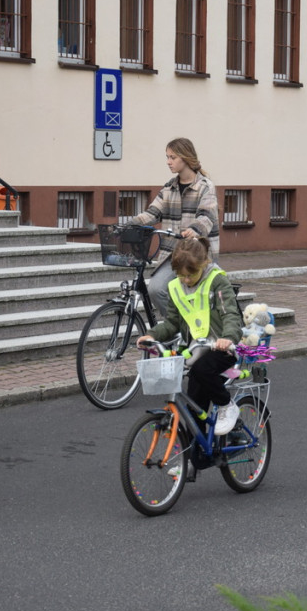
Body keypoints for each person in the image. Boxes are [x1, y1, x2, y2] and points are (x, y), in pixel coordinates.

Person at [136, 236, 243, 434]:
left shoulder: (216, 280)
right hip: (197, 349)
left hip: (222, 348)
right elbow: (172, 322)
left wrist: (227, 338)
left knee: (201, 371)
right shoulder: (175, 287)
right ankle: (194, 462)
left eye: (191, 275)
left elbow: (230, 314)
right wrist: (152, 335)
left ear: (204, 263)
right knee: (194, 409)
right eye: (180, 275)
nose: (186, 280)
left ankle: (227, 406)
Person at [130, 138, 219, 317]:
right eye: (167, 157)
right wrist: (130, 223)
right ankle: (179, 328)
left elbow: (207, 215)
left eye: (172, 157)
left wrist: (195, 229)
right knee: (156, 290)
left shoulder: (205, 187)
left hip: (197, 253)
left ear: (185, 158)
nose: (168, 162)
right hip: (172, 253)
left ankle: (188, 329)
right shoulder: (169, 187)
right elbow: (153, 213)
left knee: (190, 296)